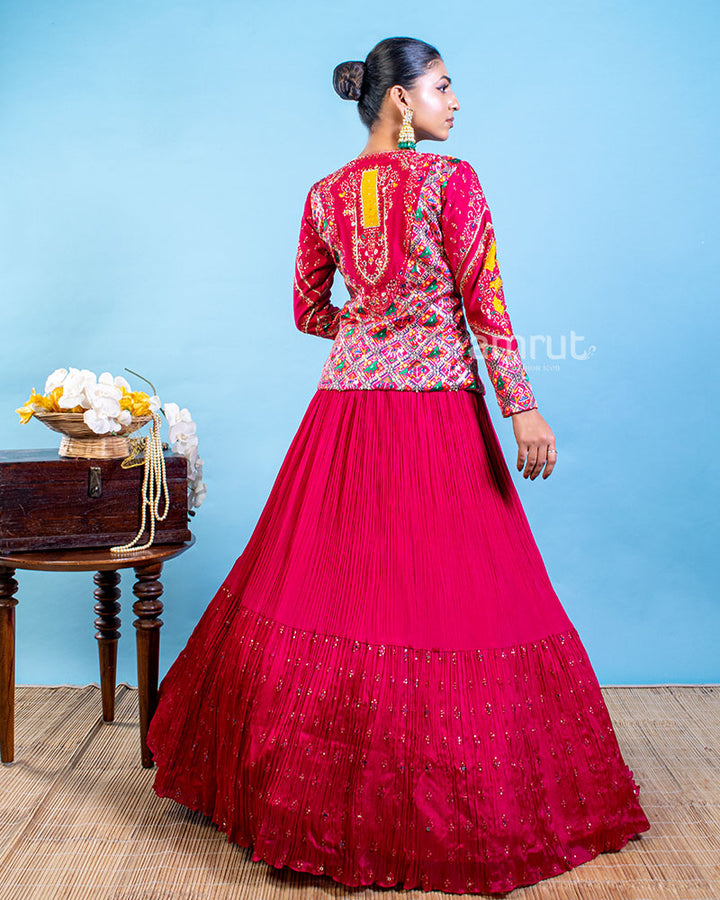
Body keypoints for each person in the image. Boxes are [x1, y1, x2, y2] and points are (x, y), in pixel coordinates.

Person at [146, 36, 650, 895]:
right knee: (445, 593)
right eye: (444, 88)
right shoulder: (452, 182)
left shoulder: (322, 194)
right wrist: (521, 404)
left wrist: (372, 327)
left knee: (337, 585)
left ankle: (304, 796)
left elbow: (310, 311)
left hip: (344, 413)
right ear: (399, 101)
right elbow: (486, 304)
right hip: (437, 413)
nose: (456, 104)